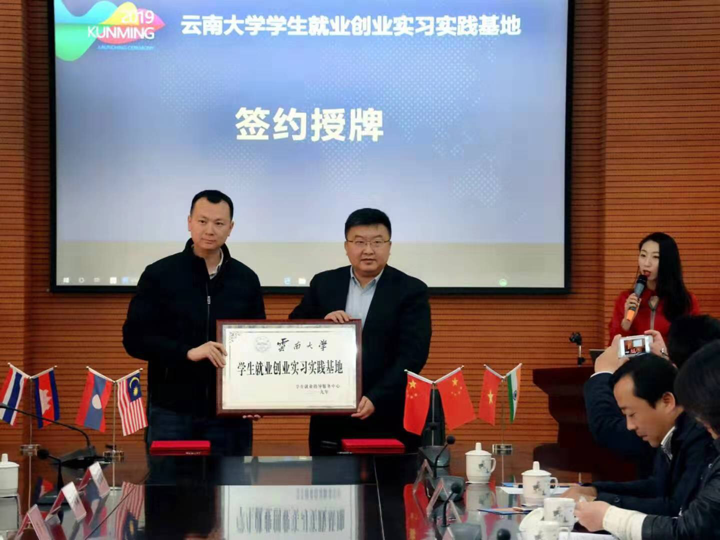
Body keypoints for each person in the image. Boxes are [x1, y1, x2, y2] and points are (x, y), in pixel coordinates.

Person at [123, 190, 265, 456]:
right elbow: (134, 339)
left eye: (219, 223)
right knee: (169, 483)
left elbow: (258, 344)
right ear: (189, 222)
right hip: (171, 412)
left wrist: (253, 396)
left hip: (229, 415)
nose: (210, 230)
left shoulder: (246, 279)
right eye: (202, 221)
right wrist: (187, 352)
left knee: (232, 484)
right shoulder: (159, 274)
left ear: (231, 228)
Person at [289, 208, 431, 454]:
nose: (368, 250)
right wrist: (322, 323)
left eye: (377, 242)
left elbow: (413, 354)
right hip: (330, 415)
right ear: (346, 246)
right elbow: (294, 329)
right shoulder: (323, 283)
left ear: (389, 246)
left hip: (386, 412)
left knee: (386, 479)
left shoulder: (411, 290)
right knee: (329, 478)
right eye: (359, 242)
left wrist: (377, 396)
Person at [576, 341, 720, 538]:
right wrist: (596, 492)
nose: (629, 426)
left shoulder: (699, 437)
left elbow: (683, 521)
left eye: (632, 414)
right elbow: (658, 487)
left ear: (667, 401)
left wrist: (607, 515)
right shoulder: (671, 434)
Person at [585, 315, 720, 473]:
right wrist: (665, 358)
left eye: (631, 414)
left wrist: (602, 373)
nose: (630, 425)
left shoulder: (695, 425)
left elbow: (611, 430)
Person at [608, 233, 699, 344]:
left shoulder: (686, 302)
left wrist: (662, 351)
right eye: (643, 255)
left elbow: (692, 347)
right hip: (636, 356)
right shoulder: (626, 299)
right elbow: (614, 347)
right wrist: (626, 324)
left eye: (656, 257)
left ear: (669, 261)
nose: (646, 263)